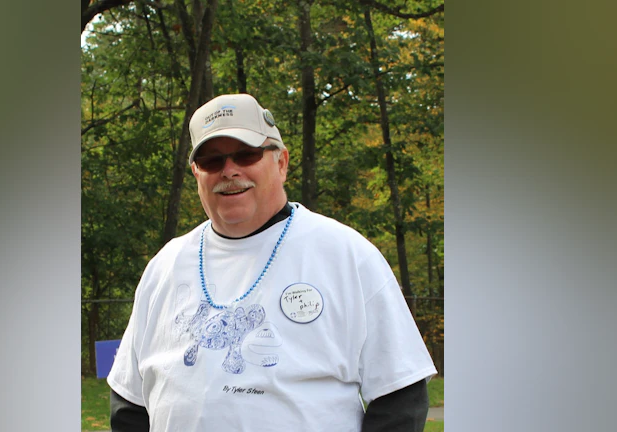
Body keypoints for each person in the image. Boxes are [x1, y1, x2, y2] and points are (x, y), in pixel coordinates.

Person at [107, 93, 437, 432]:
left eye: (246, 154)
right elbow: (129, 403)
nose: (229, 171)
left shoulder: (346, 255)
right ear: (196, 172)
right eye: (211, 161)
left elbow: (401, 397)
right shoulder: (165, 266)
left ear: (281, 162)